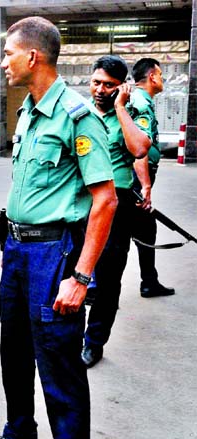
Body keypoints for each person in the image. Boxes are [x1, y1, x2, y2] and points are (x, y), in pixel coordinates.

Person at [0, 17, 117, 439]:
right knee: (12, 349)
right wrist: (12, 241)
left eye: (9, 54)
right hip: (17, 250)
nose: (3, 63)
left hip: (54, 253)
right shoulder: (30, 112)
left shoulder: (77, 117)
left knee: (57, 361)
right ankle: (20, 431)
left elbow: (105, 199)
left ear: (33, 56)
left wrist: (79, 277)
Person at [80, 56, 152, 368]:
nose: (100, 89)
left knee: (108, 278)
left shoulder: (133, 111)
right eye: (96, 82)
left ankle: (94, 342)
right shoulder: (78, 114)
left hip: (116, 204)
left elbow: (139, 149)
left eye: (109, 85)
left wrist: (121, 108)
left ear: (121, 87)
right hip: (79, 201)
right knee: (71, 271)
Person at [129, 58, 174, 298]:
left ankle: (149, 280)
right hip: (135, 180)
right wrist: (145, 185)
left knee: (144, 229)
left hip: (134, 180)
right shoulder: (140, 103)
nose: (163, 80)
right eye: (161, 75)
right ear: (153, 77)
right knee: (132, 230)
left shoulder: (139, 100)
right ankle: (95, 286)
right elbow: (139, 149)